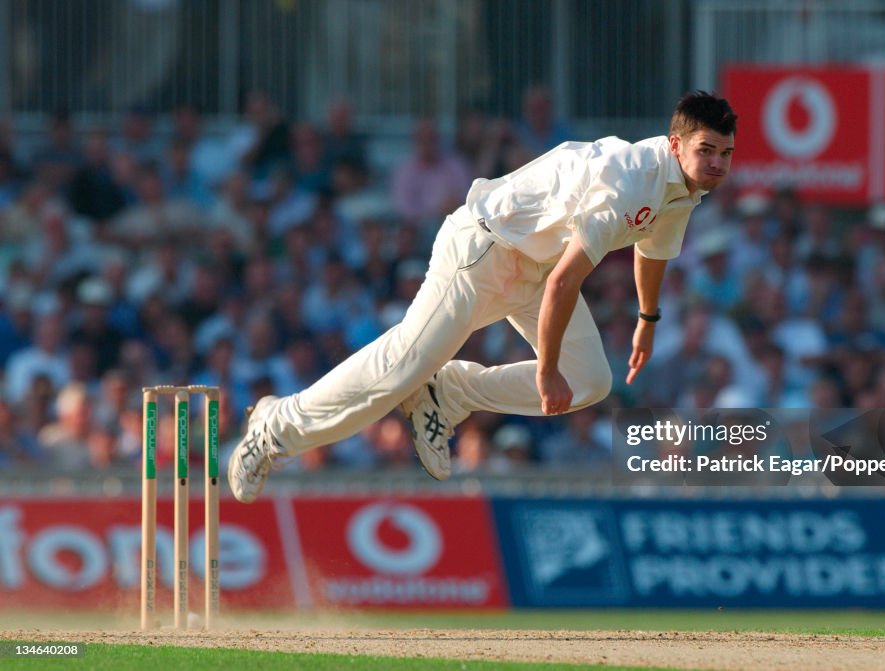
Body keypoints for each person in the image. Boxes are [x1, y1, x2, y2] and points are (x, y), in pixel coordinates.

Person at [228, 91, 737, 502]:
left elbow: (653, 250)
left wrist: (647, 318)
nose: (716, 163)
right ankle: (274, 428)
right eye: (706, 150)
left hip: (534, 266)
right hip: (485, 250)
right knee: (397, 371)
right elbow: (566, 281)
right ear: (675, 144)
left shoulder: (683, 189)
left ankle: (450, 394)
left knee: (590, 382)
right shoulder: (629, 181)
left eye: (725, 153)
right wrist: (544, 369)